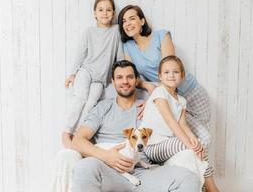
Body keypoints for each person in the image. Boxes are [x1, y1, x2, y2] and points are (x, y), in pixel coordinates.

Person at [118, 5, 219, 191]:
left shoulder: (161, 36)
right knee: (196, 141)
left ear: (142, 21)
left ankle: (200, 184)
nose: (128, 23)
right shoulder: (128, 47)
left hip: (189, 93)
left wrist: (160, 93)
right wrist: (150, 88)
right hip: (166, 96)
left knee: (201, 140)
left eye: (132, 18)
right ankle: (203, 186)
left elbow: (170, 66)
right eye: (124, 20)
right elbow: (134, 76)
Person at [70, 60, 201, 192]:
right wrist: (107, 156)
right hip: (109, 170)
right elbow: (77, 141)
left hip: (144, 171)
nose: (125, 81)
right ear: (113, 81)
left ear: (136, 80)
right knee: (85, 166)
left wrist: (150, 100)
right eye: (119, 77)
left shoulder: (151, 106)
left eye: (130, 77)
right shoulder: (102, 107)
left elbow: (173, 116)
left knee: (189, 179)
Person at [141, 55, 217, 190]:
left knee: (198, 147)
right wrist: (189, 144)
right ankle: (213, 189)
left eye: (176, 72)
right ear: (160, 76)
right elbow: (171, 122)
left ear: (182, 76)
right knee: (195, 149)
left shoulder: (181, 100)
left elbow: (183, 124)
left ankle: (204, 188)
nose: (171, 75)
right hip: (153, 146)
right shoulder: (160, 92)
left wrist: (194, 140)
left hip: (168, 144)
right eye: (166, 72)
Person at [62, 0, 123, 148]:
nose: (105, 13)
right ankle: (67, 131)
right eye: (101, 10)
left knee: (90, 105)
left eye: (109, 10)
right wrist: (73, 73)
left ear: (114, 13)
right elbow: (81, 53)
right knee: (80, 99)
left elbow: (120, 56)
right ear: (95, 13)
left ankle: (77, 134)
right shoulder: (89, 31)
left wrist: (119, 76)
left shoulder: (116, 32)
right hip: (86, 71)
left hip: (100, 79)